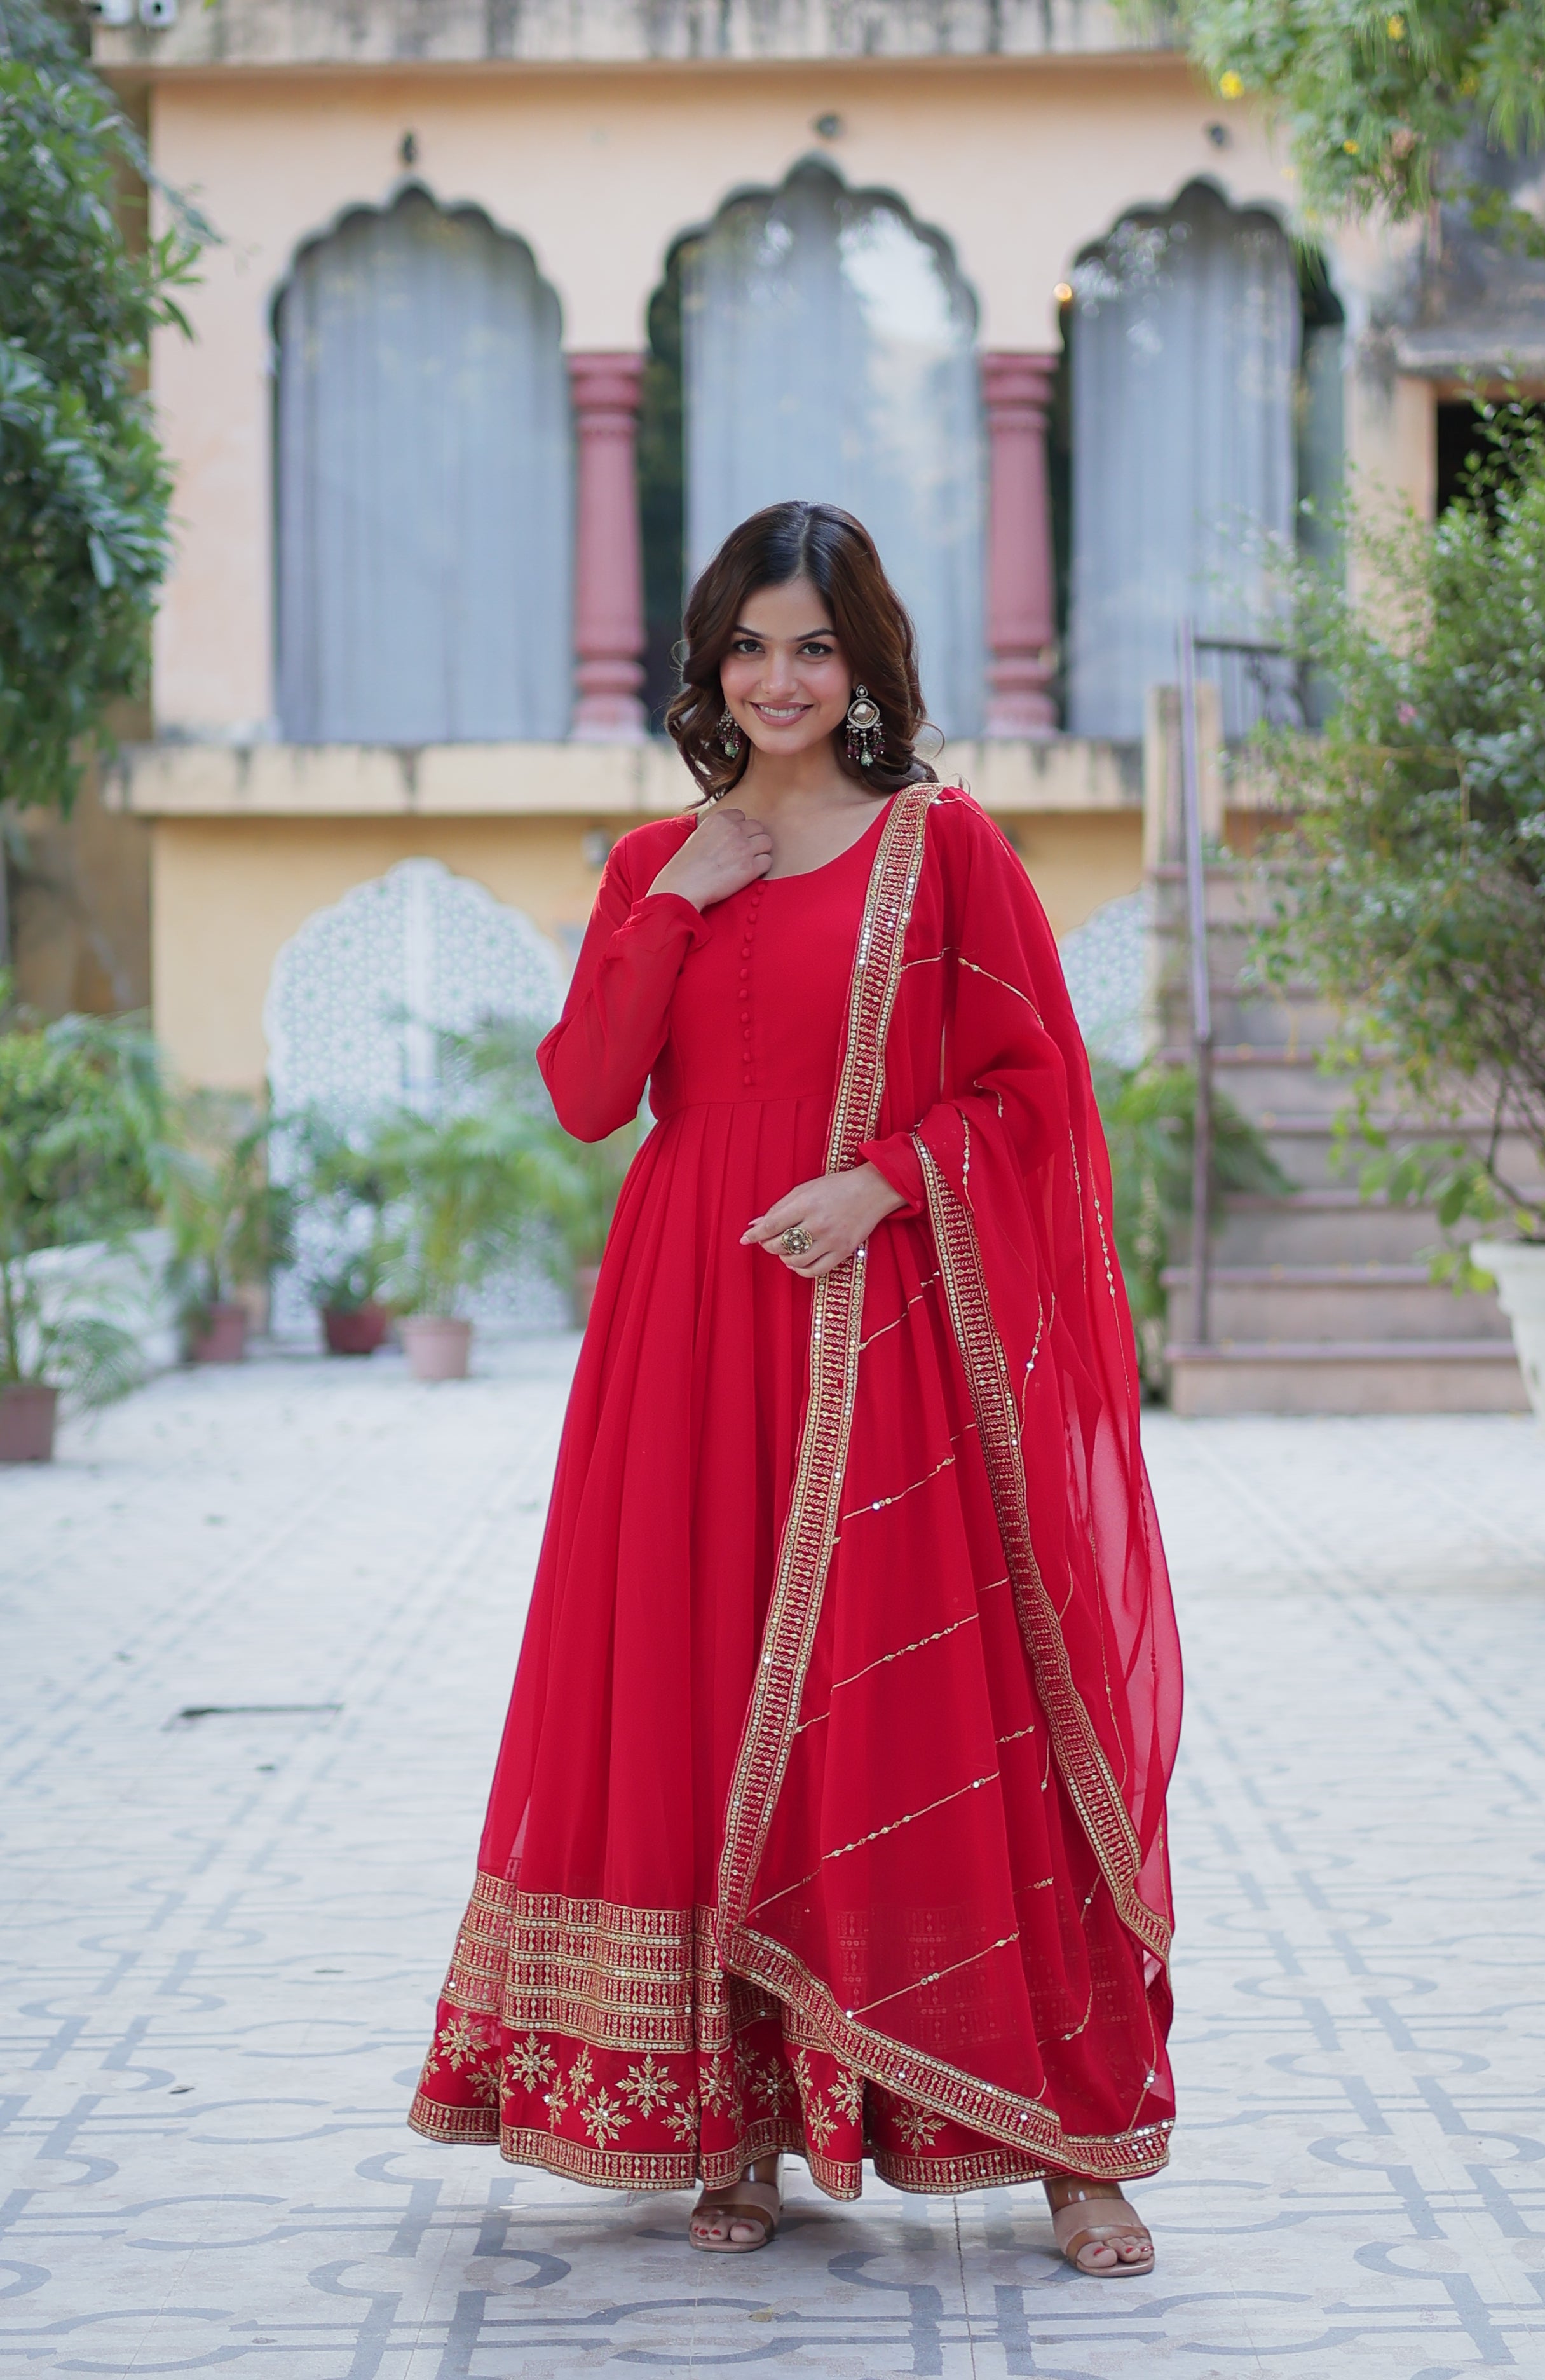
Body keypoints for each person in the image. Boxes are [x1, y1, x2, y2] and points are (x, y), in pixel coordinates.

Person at [409, 501, 1181, 2273]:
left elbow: (1036, 1093)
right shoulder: (652, 869)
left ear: (866, 667)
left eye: (812, 647)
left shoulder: (946, 847)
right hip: (686, 1338)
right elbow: (593, 1098)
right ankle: (727, 2127)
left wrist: (889, 1177)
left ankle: (1069, 2140)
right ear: (708, 665)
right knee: (695, 1698)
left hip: (882, 1335)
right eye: (749, 647)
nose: (778, 678)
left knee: (930, 1709)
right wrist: (674, 902)